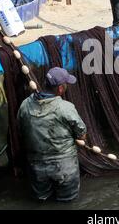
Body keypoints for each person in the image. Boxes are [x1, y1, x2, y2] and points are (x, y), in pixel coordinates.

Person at [17, 67, 87, 202]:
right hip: (65, 168)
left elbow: (21, 130)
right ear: (60, 89)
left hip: (37, 168)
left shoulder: (25, 105)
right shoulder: (65, 108)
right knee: (68, 202)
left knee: (41, 201)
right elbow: (82, 135)